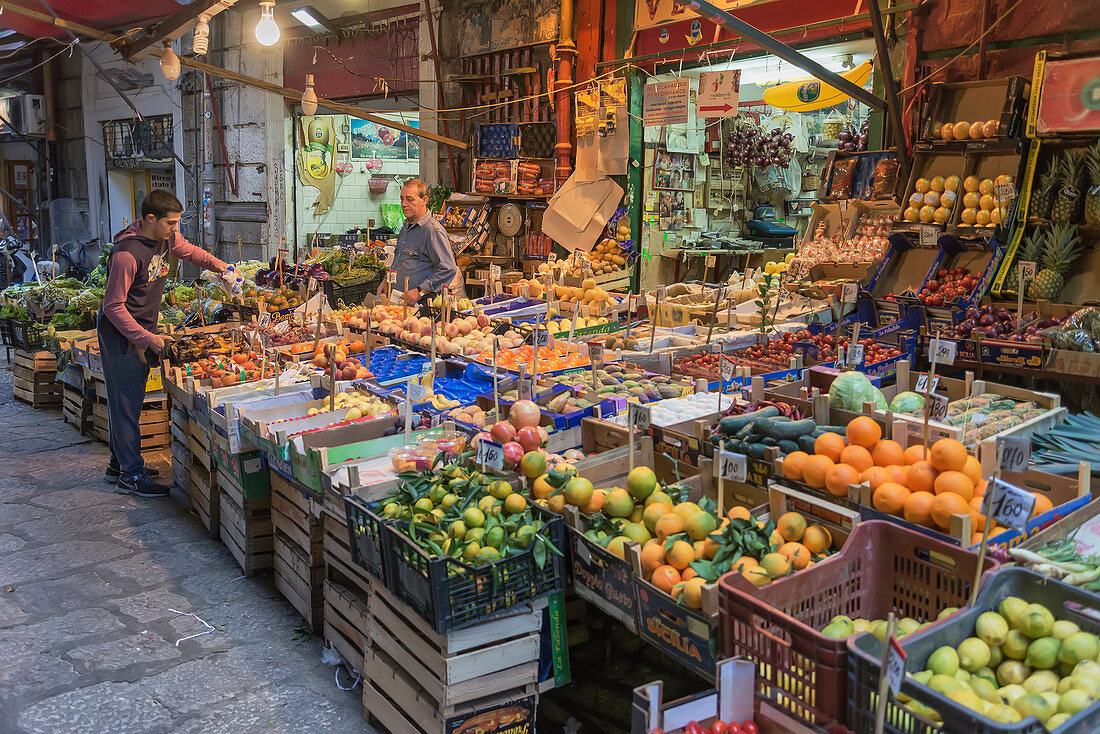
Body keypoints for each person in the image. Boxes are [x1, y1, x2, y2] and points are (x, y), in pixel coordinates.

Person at [99, 190, 229, 497]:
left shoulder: (167, 239)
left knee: (130, 400)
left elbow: (191, 252)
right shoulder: (127, 254)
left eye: (177, 223)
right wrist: (147, 338)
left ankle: (119, 465)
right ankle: (130, 476)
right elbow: (112, 307)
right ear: (150, 219)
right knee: (126, 405)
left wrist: (220, 267)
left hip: (143, 330)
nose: (175, 229)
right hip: (121, 335)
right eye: (170, 223)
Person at [383, 178, 460, 305]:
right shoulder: (405, 228)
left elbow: (449, 269)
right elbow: (401, 261)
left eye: (410, 199)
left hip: (422, 306)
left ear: (424, 200)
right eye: (402, 199)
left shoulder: (432, 231)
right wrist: (387, 279)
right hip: (400, 302)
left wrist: (420, 291)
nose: (404, 204)